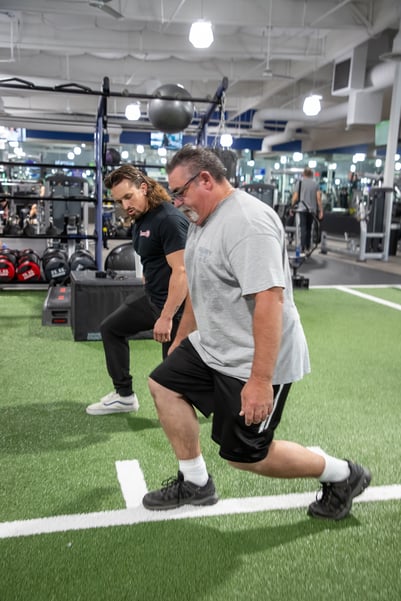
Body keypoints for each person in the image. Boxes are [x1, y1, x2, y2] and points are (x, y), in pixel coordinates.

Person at [142, 145, 371, 520]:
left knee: (247, 458)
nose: (177, 201)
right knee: (164, 384)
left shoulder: (247, 223)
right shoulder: (203, 220)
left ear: (205, 179)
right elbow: (202, 290)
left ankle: (344, 474)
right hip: (215, 345)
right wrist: (183, 340)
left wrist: (261, 381)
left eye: (180, 192)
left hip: (253, 359)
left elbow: (269, 303)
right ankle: (196, 482)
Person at [86, 164, 189, 416]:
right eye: (120, 200)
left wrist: (166, 317)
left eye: (128, 196)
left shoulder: (169, 219)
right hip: (152, 298)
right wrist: (147, 279)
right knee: (111, 328)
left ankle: (227, 408)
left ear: (144, 188)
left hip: (175, 309)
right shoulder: (141, 217)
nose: (125, 204)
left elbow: (182, 272)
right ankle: (124, 396)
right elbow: (151, 255)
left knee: (172, 381)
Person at [291, 167, 323, 252]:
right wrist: (321, 210)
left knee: (303, 227)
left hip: (302, 209)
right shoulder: (315, 184)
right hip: (312, 210)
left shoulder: (300, 183)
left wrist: (292, 207)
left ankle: (302, 247)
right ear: (312, 175)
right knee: (309, 228)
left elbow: (295, 197)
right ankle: (308, 246)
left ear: (303, 174)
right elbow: (318, 198)